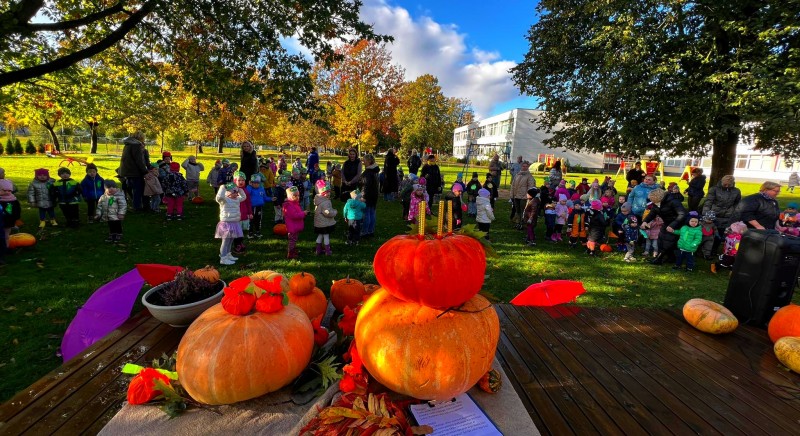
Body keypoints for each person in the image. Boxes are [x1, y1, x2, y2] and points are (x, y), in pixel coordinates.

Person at [642, 188, 687, 265]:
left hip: (677, 224)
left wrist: (672, 225)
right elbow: (652, 213)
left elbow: (682, 214)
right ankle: (671, 258)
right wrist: (645, 221)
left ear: (658, 198)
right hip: (666, 223)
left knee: (668, 242)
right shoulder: (656, 204)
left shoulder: (673, 202)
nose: (651, 201)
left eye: (653, 199)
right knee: (661, 241)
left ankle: (659, 259)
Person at [215, 182, 245, 265]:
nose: (235, 194)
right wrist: (222, 187)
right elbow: (218, 197)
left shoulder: (237, 199)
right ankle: (223, 258)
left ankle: (228, 254)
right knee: (226, 241)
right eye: (233, 192)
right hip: (226, 224)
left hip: (234, 222)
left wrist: (240, 190)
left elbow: (244, 197)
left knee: (231, 240)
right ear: (227, 193)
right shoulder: (224, 200)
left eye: (236, 192)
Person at [119, 132, 148, 211]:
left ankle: (135, 205)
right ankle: (137, 206)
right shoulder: (136, 145)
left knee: (132, 188)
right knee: (138, 189)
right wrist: (145, 171)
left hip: (127, 170)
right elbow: (138, 160)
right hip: (134, 171)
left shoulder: (128, 144)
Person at [313, 180, 337, 255]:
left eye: (329, 192)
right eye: (326, 193)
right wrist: (335, 212)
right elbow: (327, 212)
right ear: (322, 193)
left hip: (319, 223)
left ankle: (318, 250)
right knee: (326, 236)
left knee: (320, 235)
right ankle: (327, 251)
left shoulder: (318, 200)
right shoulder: (326, 202)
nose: (328, 194)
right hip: (325, 224)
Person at [510, 161, 536, 229]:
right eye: (523, 166)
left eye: (526, 166)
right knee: (517, 210)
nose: (524, 167)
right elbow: (513, 185)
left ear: (528, 167)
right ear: (521, 167)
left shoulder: (529, 176)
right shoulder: (517, 175)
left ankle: (522, 223)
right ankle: (518, 222)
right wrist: (512, 195)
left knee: (523, 211)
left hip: (524, 197)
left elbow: (530, 187)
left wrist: (528, 196)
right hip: (516, 196)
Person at [283, 186, 307, 259]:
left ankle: (293, 250)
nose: (297, 197)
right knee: (292, 240)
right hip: (292, 227)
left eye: (298, 195)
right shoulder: (289, 205)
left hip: (295, 226)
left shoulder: (295, 203)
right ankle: (290, 253)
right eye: (295, 196)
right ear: (290, 196)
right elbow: (294, 215)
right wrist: (303, 213)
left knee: (294, 239)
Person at [360, 154, 380, 238]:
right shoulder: (374, 171)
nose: (363, 161)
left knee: (367, 213)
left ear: (369, 161)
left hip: (368, 195)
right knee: (372, 213)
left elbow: (366, 185)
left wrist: (363, 196)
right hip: (374, 194)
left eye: (364, 160)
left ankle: (365, 232)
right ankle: (371, 230)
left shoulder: (368, 172)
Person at [246, 174, 270, 238]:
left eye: (258, 183)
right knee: (251, 220)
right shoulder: (249, 188)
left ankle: (257, 231)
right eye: (254, 183)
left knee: (258, 219)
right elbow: (247, 194)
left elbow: (264, 197)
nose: (256, 184)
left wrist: (271, 199)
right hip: (252, 207)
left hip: (259, 207)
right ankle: (250, 232)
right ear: (251, 183)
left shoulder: (261, 189)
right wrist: (249, 186)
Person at [0, 179, 21, 244]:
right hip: (1, 220)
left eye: (9, 190)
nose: (7, 192)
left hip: (9, 221)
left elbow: (17, 209)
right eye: (4, 190)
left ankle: (6, 247)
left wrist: (16, 218)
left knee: (6, 235)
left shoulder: (13, 200)